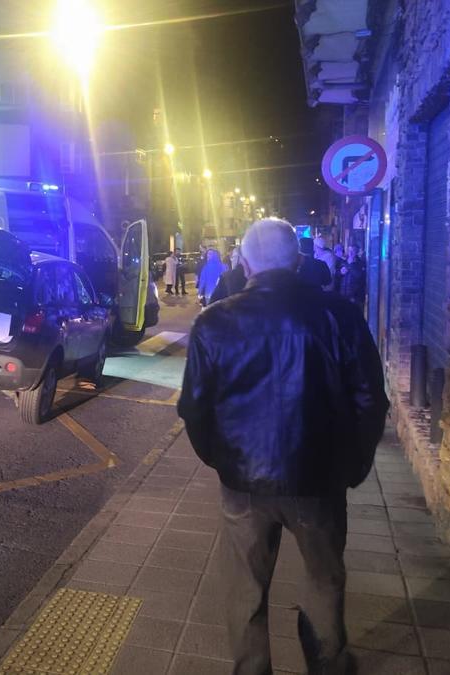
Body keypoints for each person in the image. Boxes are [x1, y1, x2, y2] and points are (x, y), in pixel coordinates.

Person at [179, 218, 388, 675]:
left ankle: (252, 669)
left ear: (246, 262)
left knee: (245, 587)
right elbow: (370, 399)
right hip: (319, 477)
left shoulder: (214, 322)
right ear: (297, 261)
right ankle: (327, 664)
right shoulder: (341, 315)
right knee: (323, 579)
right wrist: (352, 466)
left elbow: (194, 408)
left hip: (243, 482)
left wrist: (222, 460)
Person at [340, 244, 368, 311]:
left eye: (353, 251)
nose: (350, 253)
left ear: (357, 252)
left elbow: (359, 276)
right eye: (349, 250)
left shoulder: (361, 263)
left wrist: (351, 265)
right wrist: (340, 272)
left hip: (356, 295)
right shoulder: (344, 262)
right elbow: (337, 276)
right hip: (344, 294)